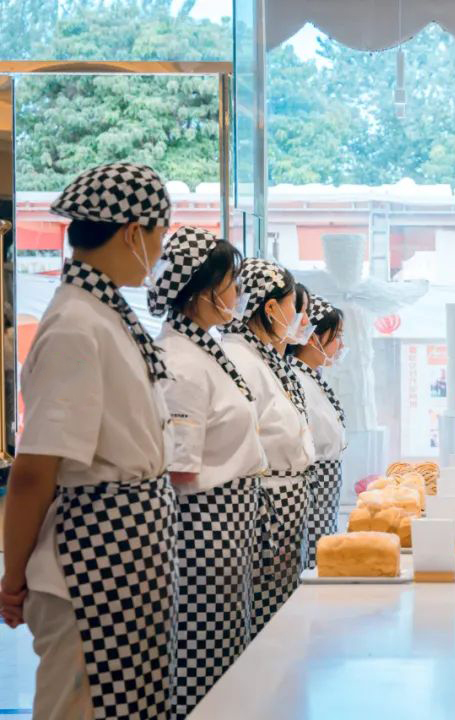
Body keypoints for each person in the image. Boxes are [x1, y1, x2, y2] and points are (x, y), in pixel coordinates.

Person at [0, 163, 176, 718]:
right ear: (133, 232)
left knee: (128, 704)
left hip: (128, 549)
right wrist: (12, 576)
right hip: (90, 558)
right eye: (160, 234)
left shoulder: (104, 312)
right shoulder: (76, 323)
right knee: (80, 707)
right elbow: (34, 471)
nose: (160, 249)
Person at [150, 226, 268, 716]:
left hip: (231, 518)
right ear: (203, 292)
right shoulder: (180, 360)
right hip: (205, 522)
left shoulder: (205, 349)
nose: (238, 295)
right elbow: (181, 468)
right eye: (231, 285)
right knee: (206, 650)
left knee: (229, 644)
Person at [222, 258, 314, 634]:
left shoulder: (263, 355)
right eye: (294, 306)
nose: (298, 318)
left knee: (285, 612)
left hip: (287, 496)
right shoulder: (240, 358)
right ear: (272, 307)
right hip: (269, 500)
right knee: (270, 621)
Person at [287, 294, 347, 569]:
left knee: (323, 556)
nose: (341, 345)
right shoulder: (296, 379)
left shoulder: (312, 377)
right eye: (337, 336)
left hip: (326, 483)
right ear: (313, 338)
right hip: (314, 482)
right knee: (314, 562)